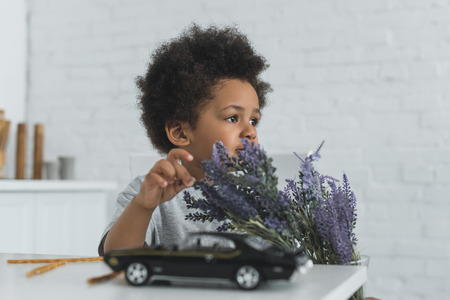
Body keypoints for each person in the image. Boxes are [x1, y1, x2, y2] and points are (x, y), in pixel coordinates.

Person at [98, 24, 271, 256]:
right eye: (232, 118)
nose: (250, 131)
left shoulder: (259, 197)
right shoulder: (146, 193)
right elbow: (116, 256)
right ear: (180, 133)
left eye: (253, 121)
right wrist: (143, 206)